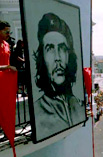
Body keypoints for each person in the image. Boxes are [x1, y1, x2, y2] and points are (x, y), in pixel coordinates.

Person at [33, 13, 86, 141]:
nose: (58, 58)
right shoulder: (38, 111)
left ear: (69, 56)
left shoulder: (79, 105)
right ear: (42, 58)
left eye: (62, 49)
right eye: (50, 49)